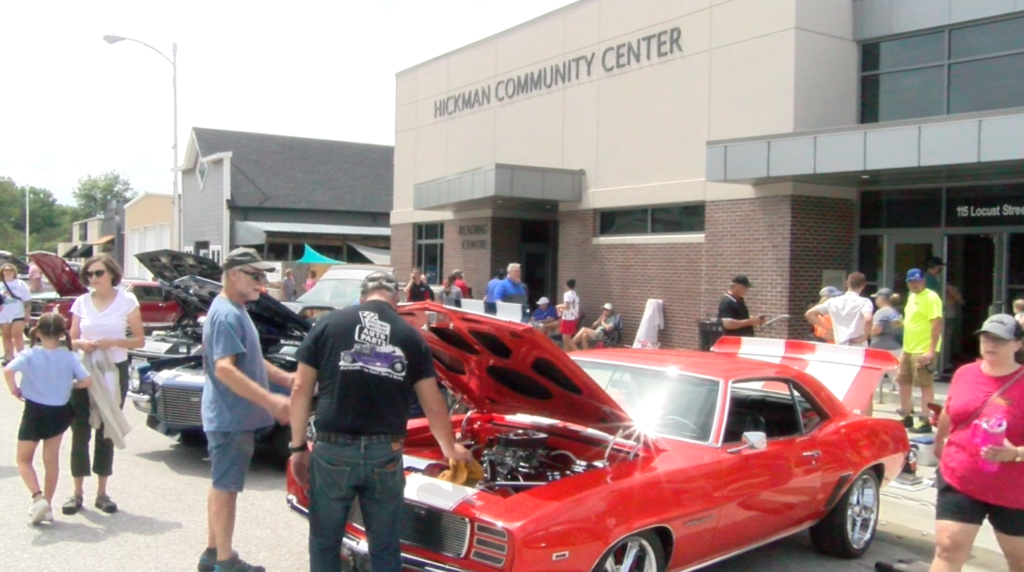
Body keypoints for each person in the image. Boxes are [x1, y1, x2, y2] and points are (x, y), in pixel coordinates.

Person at [288, 271, 473, 572]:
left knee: (325, 540)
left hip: (333, 449)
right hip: (385, 453)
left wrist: (297, 448)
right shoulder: (410, 336)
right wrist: (449, 448)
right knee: (385, 544)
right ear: (396, 300)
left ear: (362, 296)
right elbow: (433, 404)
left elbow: (300, 388)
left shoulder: (327, 324)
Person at [197, 248, 293, 572]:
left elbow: (250, 358)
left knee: (220, 484)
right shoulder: (227, 314)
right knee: (226, 489)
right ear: (234, 274)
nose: (261, 282)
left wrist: (286, 379)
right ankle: (226, 562)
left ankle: (212, 554)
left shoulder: (235, 309)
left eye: (264, 276)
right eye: (255, 275)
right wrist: (272, 401)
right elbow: (225, 368)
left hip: (228, 417)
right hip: (230, 418)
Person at [930, 314, 1024, 572]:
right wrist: (940, 441)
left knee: (1019, 560)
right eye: (986, 337)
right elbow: (950, 411)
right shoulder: (964, 373)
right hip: (960, 475)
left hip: (1014, 489)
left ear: (1018, 344)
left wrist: (1015, 452)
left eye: (999, 340)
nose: (990, 344)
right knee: (948, 547)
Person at [65, 254, 144, 516]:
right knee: (80, 429)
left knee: (107, 428)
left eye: (98, 273)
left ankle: (102, 492)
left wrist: (114, 342)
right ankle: (76, 493)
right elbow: (70, 339)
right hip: (84, 369)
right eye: (89, 274)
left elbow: (139, 340)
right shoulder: (81, 302)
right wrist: (81, 344)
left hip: (113, 369)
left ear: (111, 273)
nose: (93, 279)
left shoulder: (127, 300)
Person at [5, 314, 92, 524]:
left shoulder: (30, 354)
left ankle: (38, 497)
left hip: (34, 410)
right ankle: (49, 505)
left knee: (23, 460)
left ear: (38, 332)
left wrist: (14, 390)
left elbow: (8, 370)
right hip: (60, 411)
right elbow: (87, 380)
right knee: (50, 460)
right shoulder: (69, 356)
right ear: (63, 333)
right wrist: (72, 384)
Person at [897, 268, 944, 434]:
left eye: (917, 281)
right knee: (903, 381)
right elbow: (914, 320)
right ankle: (906, 414)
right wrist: (901, 324)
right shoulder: (911, 297)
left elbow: (937, 323)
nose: (914, 284)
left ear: (924, 280)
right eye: (911, 281)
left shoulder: (931, 297)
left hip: (923, 348)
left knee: (924, 384)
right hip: (908, 347)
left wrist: (931, 351)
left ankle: (925, 419)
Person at [805, 272, 874, 347]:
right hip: (858, 345)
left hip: (840, 344)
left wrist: (828, 329)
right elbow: (868, 318)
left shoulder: (833, 302)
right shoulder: (864, 302)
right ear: (863, 286)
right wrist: (865, 336)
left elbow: (809, 314)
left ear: (847, 284)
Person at [1, 263, 31, 365]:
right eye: (6, 270)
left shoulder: (20, 284)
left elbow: (27, 300)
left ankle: (21, 356)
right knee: (6, 335)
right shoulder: (0, 284)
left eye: (10, 270)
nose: (8, 272)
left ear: (14, 272)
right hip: (3, 313)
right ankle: (9, 356)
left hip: (18, 313)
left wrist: (27, 313)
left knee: (17, 335)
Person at [557, 278, 581, 351]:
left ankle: (578, 352)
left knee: (567, 338)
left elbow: (567, 307)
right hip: (573, 317)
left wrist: (559, 306)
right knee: (565, 337)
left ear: (567, 285)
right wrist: (562, 309)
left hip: (567, 318)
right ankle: (567, 353)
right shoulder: (576, 295)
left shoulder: (567, 294)